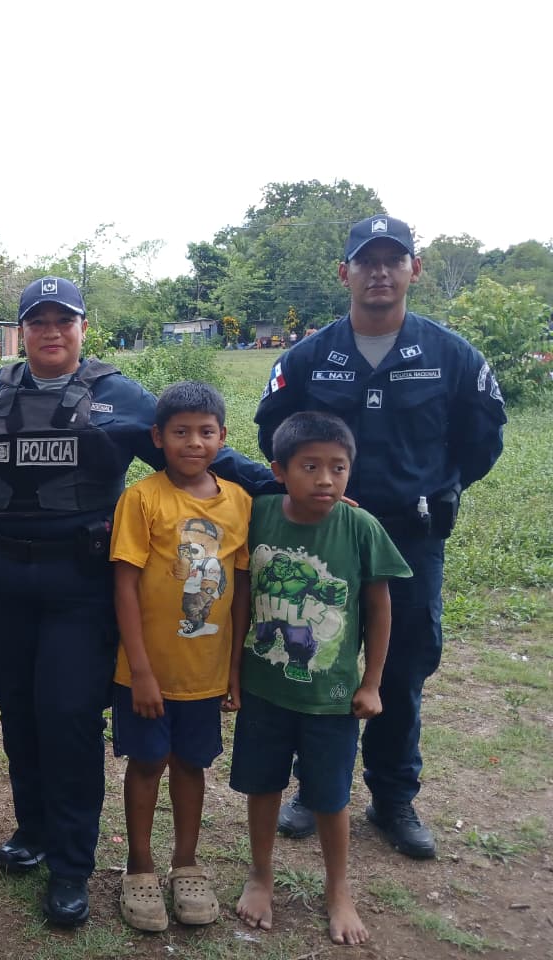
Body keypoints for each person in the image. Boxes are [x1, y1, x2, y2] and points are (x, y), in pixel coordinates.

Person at [0, 276, 276, 926]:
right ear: (22, 331)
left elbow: (195, 448)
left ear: (82, 328)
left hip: (79, 586)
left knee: (68, 719)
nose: (51, 332)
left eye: (63, 321)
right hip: (0, 580)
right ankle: (34, 830)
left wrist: (283, 485)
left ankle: (71, 866)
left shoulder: (119, 395)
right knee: (20, 715)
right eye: (38, 321)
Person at [255, 215, 507, 859]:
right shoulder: (308, 358)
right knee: (315, 654)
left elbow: (482, 441)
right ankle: (315, 788)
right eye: (366, 261)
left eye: (393, 260)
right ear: (344, 273)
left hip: (409, 539)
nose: (380, 272)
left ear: (413, 270)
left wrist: (434, 487)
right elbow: (273, 434)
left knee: (400, 669)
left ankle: (393, 797)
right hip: (325, 541)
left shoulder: (451, 356)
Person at [233, 411, 411, 945]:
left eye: (338, 467)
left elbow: (379, 610)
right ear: (279, 471)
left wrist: (371, 682)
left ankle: (339, 890)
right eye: (309, 467)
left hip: (331, 698)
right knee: (263, 787)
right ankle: (260, 875)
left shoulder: (360, 527)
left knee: (331, 798)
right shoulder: (258, 514)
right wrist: (232, 674)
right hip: (264, 690)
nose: (326, 480)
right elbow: (239, 594)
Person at [112, 382, 251, 932]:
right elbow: (125, 586)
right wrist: (141, 671)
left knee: (192, 765)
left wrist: (233, 670)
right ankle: (139, 866)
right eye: (181, 432)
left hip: (206, 673)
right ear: (158, 438)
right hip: (146, 674)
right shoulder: (142, 498)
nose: (194, 442)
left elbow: (240, 591)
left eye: (205, 432)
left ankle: (186, 864)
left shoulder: (239, 501)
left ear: (223, 437)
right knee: (147, 763)